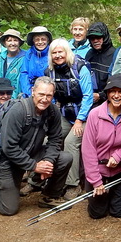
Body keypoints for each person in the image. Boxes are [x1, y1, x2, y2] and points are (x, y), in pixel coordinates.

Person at [0, 76, 72, 215]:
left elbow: (55, 139)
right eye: (41, 94)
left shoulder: (52, 111)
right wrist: (34, 166)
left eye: (49, 95)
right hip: (9, 161)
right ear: (33, 91)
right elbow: (9, 147)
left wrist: (47, 162)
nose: (45, 99)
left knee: (65, 158)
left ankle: (50, 196)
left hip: (34, 153)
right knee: (9, 208)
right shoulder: (18, 111)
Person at [81, 74, 121, 219]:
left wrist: (119, 155)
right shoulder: (95, 114)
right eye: (113, 91)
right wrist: (96, 181)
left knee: (118, 213)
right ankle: (101, 193)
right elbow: (88, 149)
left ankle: (116, 194)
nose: (116, 95)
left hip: (120, 170)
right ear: (107, 93)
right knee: (97, 213)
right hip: (98, 170)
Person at [46, 38, 93, 198]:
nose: (58, 55)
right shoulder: (50, 72)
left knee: (71, 142)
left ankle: (73, 185)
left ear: (67, 52)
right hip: (65, 113)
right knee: (51, 138)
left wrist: (80, 120)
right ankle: (43, 178)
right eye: (54, 53)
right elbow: (51, 97)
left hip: (85, 115)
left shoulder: (80, 67)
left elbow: (88, 96)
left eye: (61, 52)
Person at [0, 29, 27, 98]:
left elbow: (20, 83)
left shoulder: (26, 58)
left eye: (15, 40)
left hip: (17, 99)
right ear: (4, 43)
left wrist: (11, 101)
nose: (12, 43)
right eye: (9, 40)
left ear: (19, 42)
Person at [84, 22, 115, 106]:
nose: (95, 41)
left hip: (109, 102)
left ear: (105, 37)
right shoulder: (89, 54)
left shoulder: (114, 54)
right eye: (92, 38)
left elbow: (115, 81)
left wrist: (101, 95)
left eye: (98, 37)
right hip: (90, 101)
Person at [19, 26, 52, 97]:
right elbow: (24, 73)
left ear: (48, 40)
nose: (40, 42)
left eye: (43, 39)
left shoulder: (52, 53)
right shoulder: (29, 54)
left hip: (48, 92)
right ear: (33, 41)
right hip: (31, 91)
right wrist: (29, 93)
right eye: (37, 39)